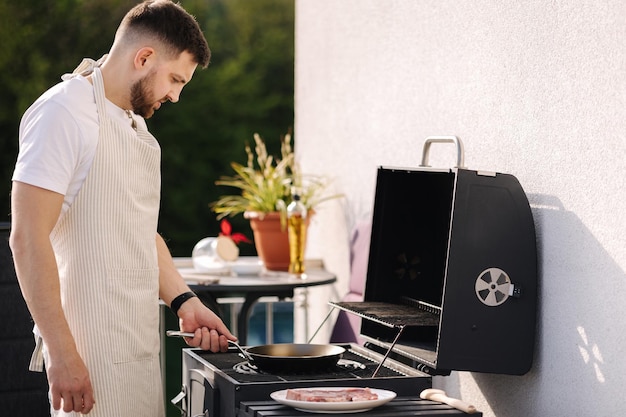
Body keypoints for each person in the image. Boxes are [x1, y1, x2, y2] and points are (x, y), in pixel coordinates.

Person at [9, 1, 237, 416]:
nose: (176, 95)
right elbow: (26, 238)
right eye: (174, 79)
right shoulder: (63, 113)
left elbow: (138, 231)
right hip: (87, 359)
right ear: (144, 57)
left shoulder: (136, 125)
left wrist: (185, 301)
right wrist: (62, 354)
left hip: (137, 346)